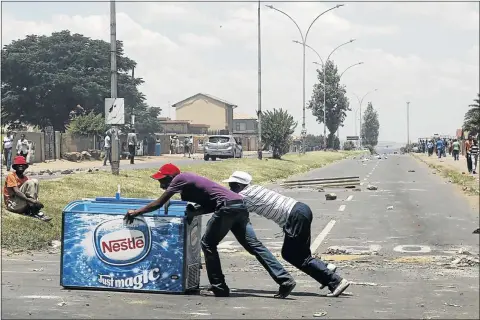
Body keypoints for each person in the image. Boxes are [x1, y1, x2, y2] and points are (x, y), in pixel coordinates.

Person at [123, 164, 296, 298]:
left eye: (162, 180)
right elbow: (211, 203)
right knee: (254, 246)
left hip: (228, 208)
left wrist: (136, 212)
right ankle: (285, 280)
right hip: (239, 206)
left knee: (208, 244)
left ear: (170, 177)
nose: (161, 185)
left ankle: (219, 287)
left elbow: (159, 203)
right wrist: (195, 211)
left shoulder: (179, 178)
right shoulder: (188, 184)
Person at [224, 171, 351, 297]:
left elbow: (225, 206)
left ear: (239, 185)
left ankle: (335, 281)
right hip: (301, 209)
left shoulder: (242, 195)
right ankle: (325, 269)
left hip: (294, 216)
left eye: (232, 186)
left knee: (293, 255)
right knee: (301, 254)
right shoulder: (255, 189)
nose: (230, 189)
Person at [3, 156, 51, 221]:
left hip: (21, 203)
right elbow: (17, 192)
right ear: (15, 167)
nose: (20, 165)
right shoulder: (11, 176)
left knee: (35, 181)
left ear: (25, 167)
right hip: (12, 205)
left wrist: (36, 201)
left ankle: (33, 209)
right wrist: (32, 201)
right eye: (18, 164)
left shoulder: (26, 178)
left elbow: (32, 192)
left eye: (22, 164)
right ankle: (34, 210)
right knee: (31, 182)